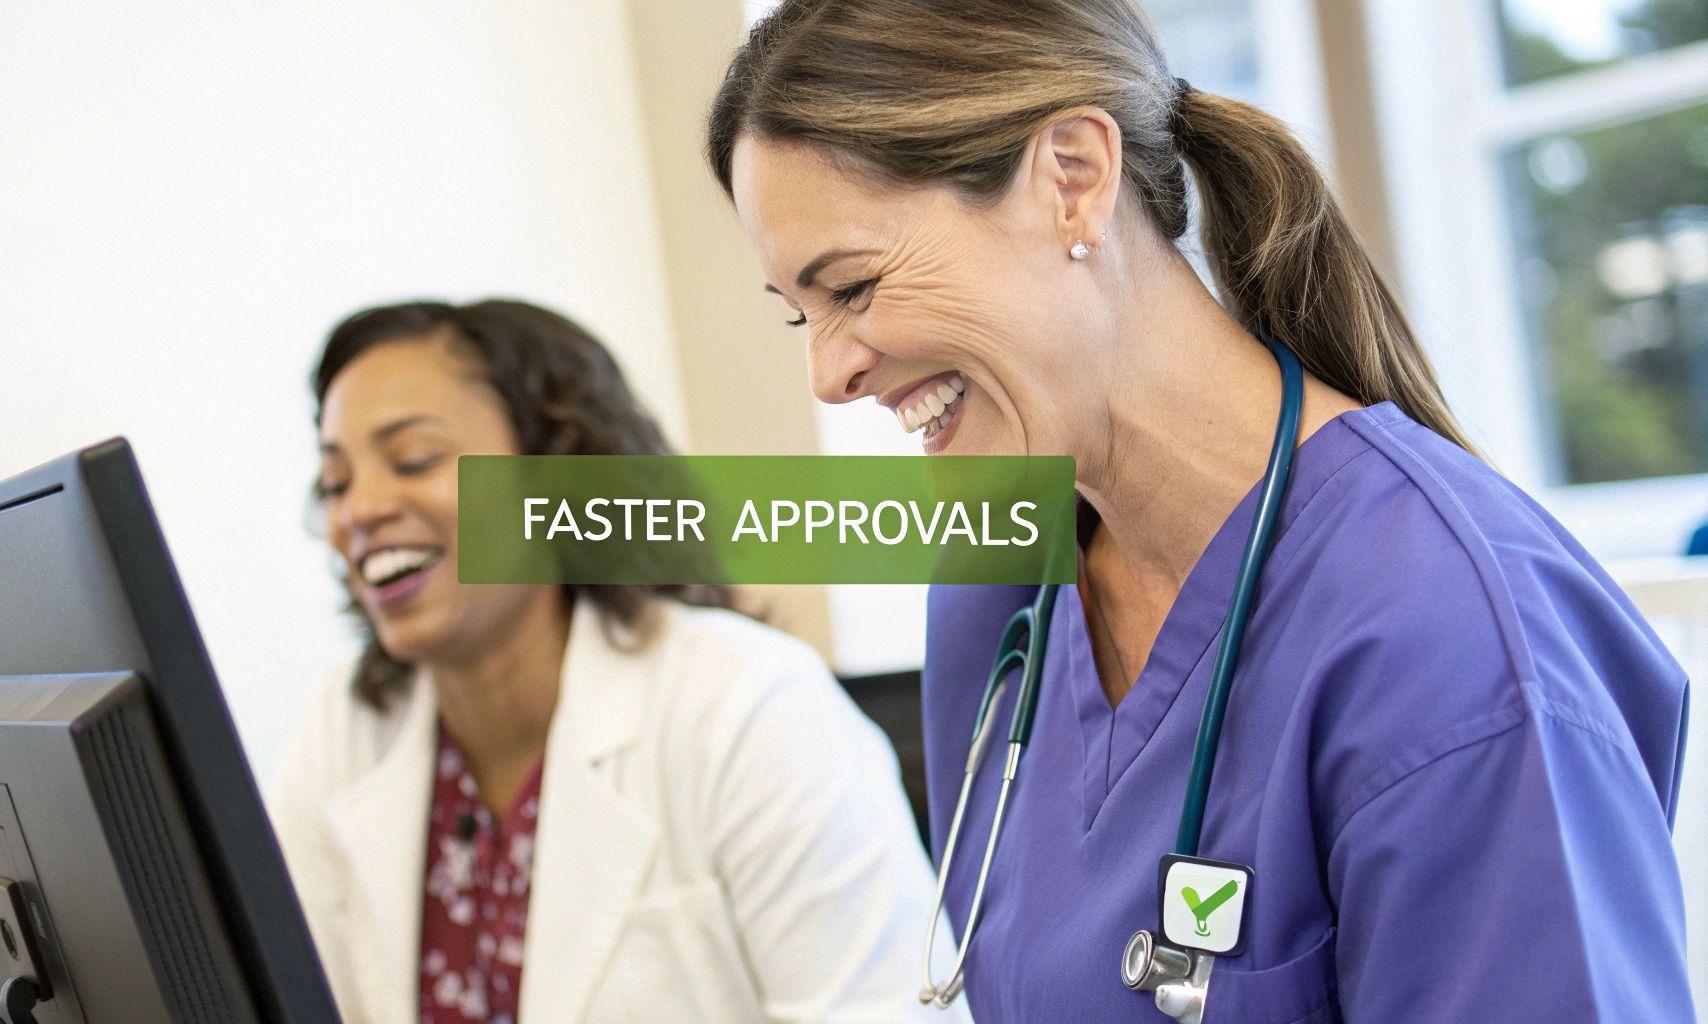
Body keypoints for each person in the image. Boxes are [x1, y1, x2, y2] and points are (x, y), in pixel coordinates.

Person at [705, 2, 1694, 1022]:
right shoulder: (994, 593)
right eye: (799, 313)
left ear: (1072, 179)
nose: (827, 373)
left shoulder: (1449, 636)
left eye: (853, 287)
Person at [269, 299, 960, 1024]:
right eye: (336, 483)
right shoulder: (345, 733)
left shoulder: (749, 707)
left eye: (414, 460)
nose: (359, 511)